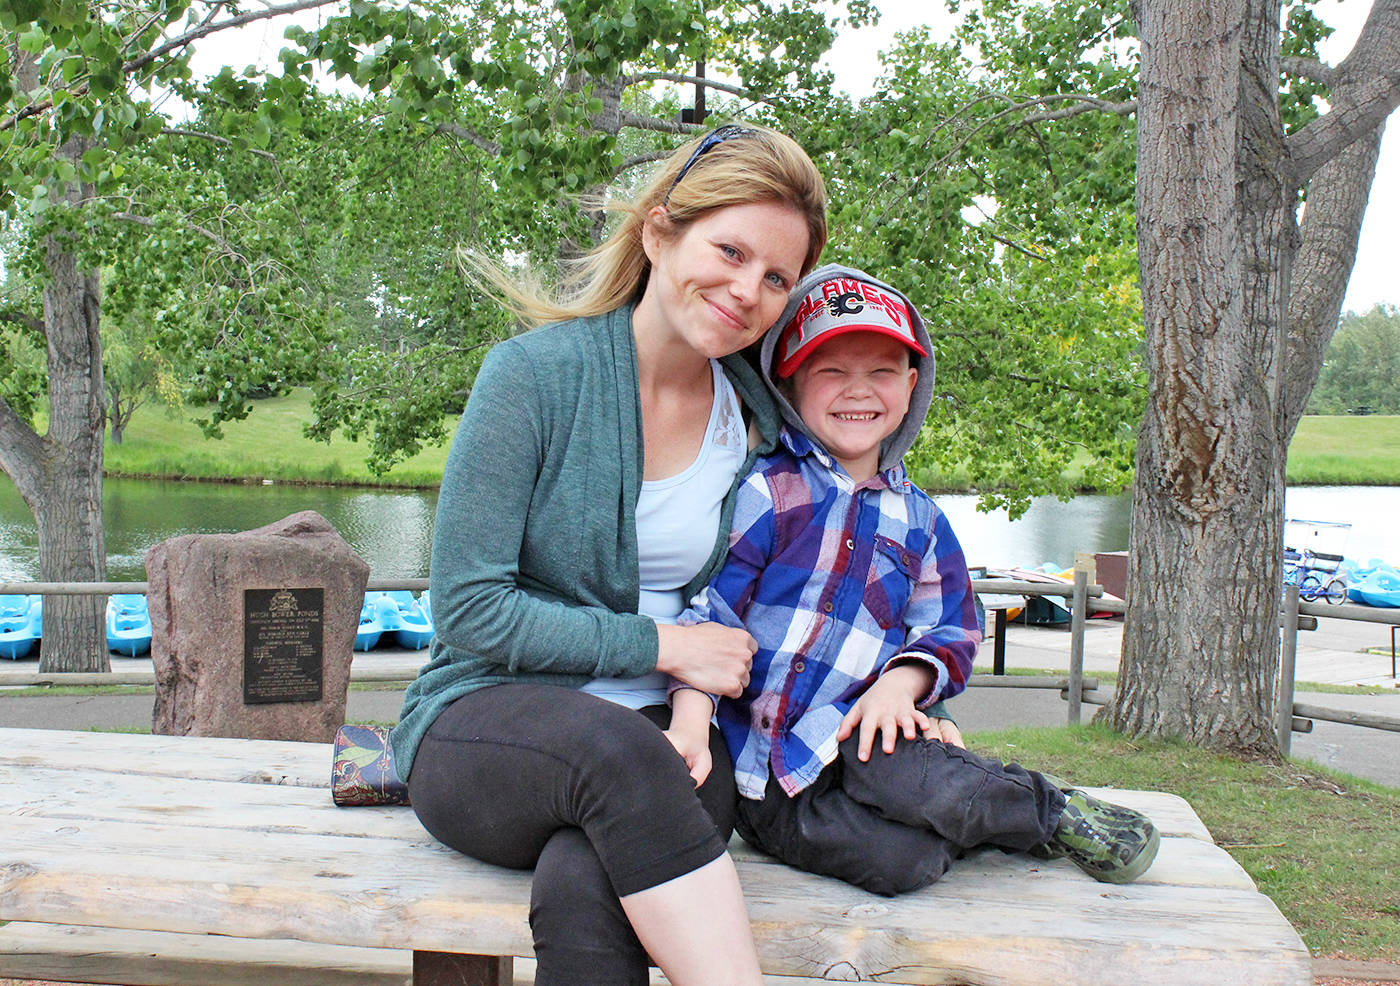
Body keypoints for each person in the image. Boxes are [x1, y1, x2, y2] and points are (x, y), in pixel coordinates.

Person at [390, 123, 825, 986]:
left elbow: (778, 590)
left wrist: (913, 682)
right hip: (486, 727)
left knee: (584, 877)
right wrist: (664, 650)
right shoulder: (532, 377)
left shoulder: (762, 425)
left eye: (776, 278)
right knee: (619, 753)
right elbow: (470, 608)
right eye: (730, 251)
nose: (748, 290)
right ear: (660, 230)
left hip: (674, 743)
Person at [668, 263, 1161, 896]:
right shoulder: (769, 493)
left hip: (863, 730)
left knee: (925, 783)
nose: (858, 391)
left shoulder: (921, 520)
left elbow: (952, 624)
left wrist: (903, 685)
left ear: (910, 385)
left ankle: (1052, 812)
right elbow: (713, 617)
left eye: (880, 372)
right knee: (907, 866)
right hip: (765, 777)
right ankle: (987, 815)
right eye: (832, 371)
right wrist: (690, 718)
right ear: (789, 380)